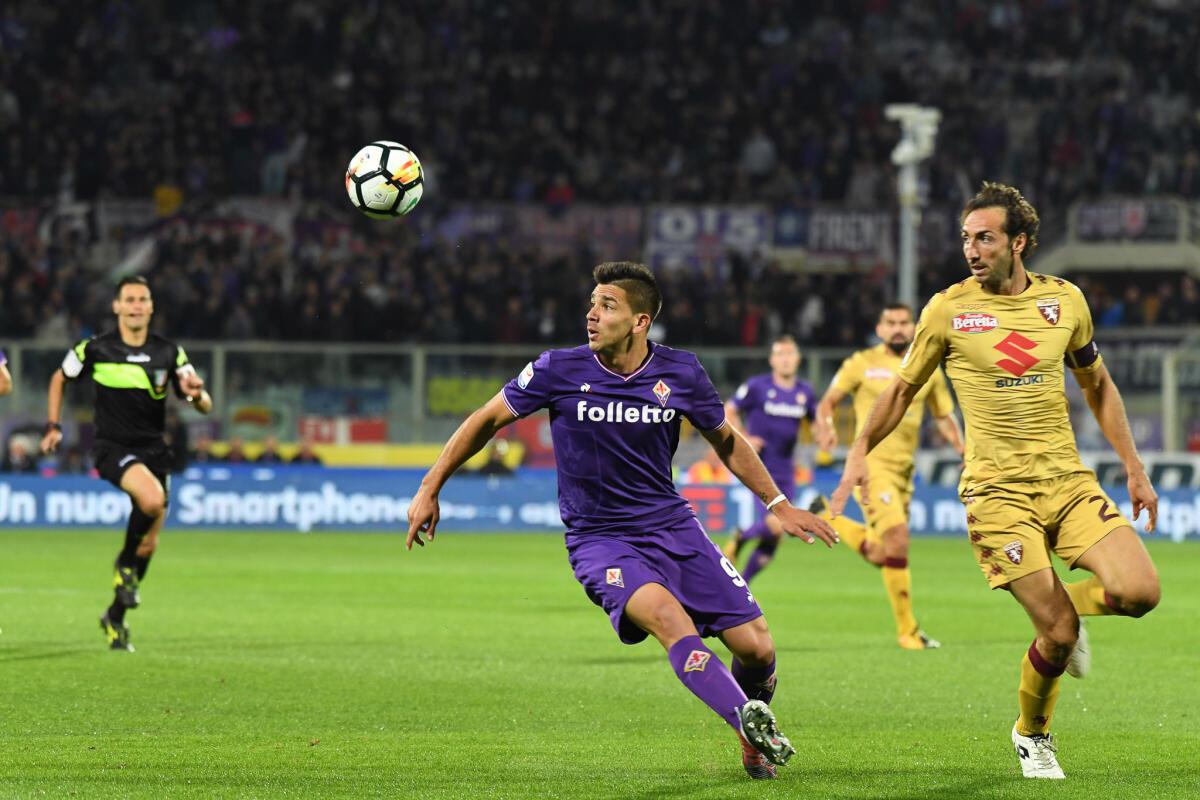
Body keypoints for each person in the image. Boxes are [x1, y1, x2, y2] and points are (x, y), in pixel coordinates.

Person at [407, 261, 837, 780]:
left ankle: (751, 729)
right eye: (591, 303)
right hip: (601, 541)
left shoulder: (681, 372)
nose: (591, 314)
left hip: (674, 527)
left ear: (640, 321)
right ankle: (746, 725)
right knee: (668, 620)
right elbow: (485, 420)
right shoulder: (556, 369)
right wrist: (430, 487)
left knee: (758, 645)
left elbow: (725, 438)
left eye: (606, 305)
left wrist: (778, 503)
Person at [831, 183, 1160, 779]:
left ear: (1019, 242)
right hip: (996, 494)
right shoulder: (946, 310)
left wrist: (1133, 466)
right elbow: (901, 391)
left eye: (984, 237)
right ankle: (1032, 734)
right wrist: (858, 450)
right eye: (965, 238)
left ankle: (1070, 612)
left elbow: (1098, 385)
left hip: (1067, 480)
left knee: (1140, 593)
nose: (971, 249)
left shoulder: (1066, 302)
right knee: (1056, 635)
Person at [41, 275, 213, 653]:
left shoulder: (170, 353)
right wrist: (53, 426)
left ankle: (115, 617)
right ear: (117, 306)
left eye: (143, 299)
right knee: (151, 502)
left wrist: (197, 396)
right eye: (129, 299)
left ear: (151, 307)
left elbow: (203, 403)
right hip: (111, 447)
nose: (136, 305)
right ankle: (123, 566)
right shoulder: (95, 348)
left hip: (155, 451)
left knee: (149, 545)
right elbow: (59, 377)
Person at [811, 303, 964, 650]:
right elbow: (827, 403)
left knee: (883, 553)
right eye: (890, 323)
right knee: (897, 540)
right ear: (880, 329)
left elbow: (943, 415)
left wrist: (963, 448)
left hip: (905, 472)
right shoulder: (861, 363)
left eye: (903, 323)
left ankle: (827, 518)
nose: (897, 328)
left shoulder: (927, 366)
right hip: (871, 466)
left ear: (913, 328)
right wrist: (826, 426)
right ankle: (908, 631)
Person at [720, 335, 816, 584]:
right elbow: (729, 410)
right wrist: (745, 437)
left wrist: (824, 435)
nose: (785, 359)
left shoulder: (805, 392)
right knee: (779, 525)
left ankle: (743, 584)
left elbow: (816, 422)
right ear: (772, 360)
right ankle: (742, 537)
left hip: (787, 470)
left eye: (789, 354)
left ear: (797, 359)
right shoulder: (757, 386)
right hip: (759, 467)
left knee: (780, 534)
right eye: (780, 354)